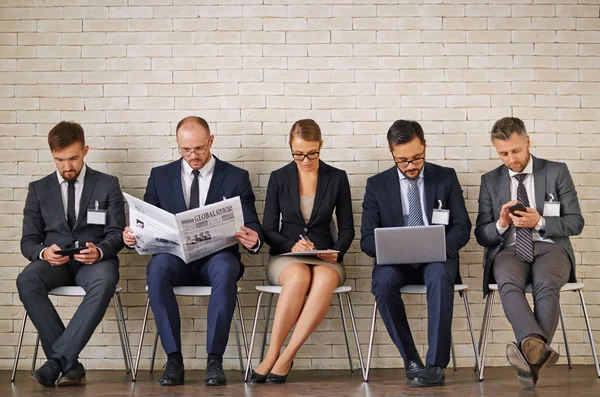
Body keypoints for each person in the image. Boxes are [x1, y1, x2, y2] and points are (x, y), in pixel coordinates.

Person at [122, 116, 263, 387]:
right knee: (157, 268)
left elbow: (252, 223)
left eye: (199, 148)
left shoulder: (235, 176)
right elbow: (145, 220)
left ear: (211, 141)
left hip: (217, 258)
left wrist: (253, 239)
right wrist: (133, 235)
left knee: (225, 269)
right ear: (178, 145)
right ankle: (174, 359)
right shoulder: (160, 176)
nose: (193, 156)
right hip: (175, 259)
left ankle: (214, 360)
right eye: (186, 150)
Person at [475, 117, 584, 388]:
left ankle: (528, 356)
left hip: (551, 247)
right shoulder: (490, 181)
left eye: (516, 151)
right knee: (507, 283)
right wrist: (500, 223)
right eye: (503, 153)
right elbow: (481, 234)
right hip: (509, 248)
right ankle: (535, 353)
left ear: (527, 142)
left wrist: (541, 222)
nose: (511, 159)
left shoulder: (557, 172)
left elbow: (576, 222)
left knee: (547, 284)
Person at [361, 120, 471, 387]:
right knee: (383, 283)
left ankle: (435, 365)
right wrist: (390, 248)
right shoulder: (377, 185)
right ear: (391, 153)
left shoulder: (445, 176)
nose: (410, 166)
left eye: (417, 158)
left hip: (436, 256)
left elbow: (462, 226)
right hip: (396, 262)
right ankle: (411, 360)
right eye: (403, 161)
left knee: (440, 275)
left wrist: (438, 247)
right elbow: (366, 239)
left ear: (424, 145)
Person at [17, 121, 125, 387]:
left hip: (94, 263)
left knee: (105, 281)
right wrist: (44, 252)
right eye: (60, 160)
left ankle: (56, 362)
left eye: (73, 158)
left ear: (85, 150)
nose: (67, 167)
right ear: (52, 154)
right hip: (55, 263)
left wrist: (100, 251)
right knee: (26, 280)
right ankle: (69, 364)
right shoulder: (38, 189)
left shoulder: (108, 184)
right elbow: (28, 241)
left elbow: (117, 233)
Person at [251, 119, 355, 384]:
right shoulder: (279, 177)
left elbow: (347, 229)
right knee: (298, 277)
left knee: (323, 279)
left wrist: (337, 251)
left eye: (312, 153)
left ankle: (287, 356)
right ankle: (272, 353)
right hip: (286, 256)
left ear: (321, 145)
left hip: (325, 257)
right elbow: (268, 229)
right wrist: (290, 245)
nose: (306, 160)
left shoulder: (337, 177)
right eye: (298, 154)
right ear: (290, 148)